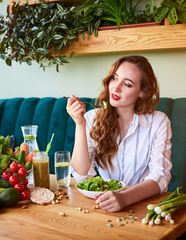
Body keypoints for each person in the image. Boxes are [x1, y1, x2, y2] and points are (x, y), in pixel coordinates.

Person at [66, 55, 172, 212]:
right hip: (102, 205)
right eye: (114, 78)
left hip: (142, 206)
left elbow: (160, 176)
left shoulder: (158, 121)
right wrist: (80, 124)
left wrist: (125, 198)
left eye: (127, 84)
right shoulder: (91, 118)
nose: (115, 88)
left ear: (142, 92)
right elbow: (82, 174)